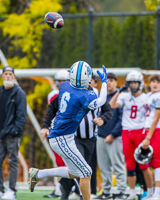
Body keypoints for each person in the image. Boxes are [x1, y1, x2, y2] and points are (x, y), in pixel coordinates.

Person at [28, 61, 108, 200]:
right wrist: (104, 82)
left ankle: (38, 174)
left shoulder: (64, 86)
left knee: (75, 172)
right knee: (86, 172)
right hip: (62, 138)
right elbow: (102, 100)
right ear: (87, 79)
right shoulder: (86, 96)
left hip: (63, 136)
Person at [109, 71, 153, 200]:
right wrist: (118, 91)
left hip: (140, 131)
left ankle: (150, 192)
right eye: (131, 83)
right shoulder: (124, 96)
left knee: (144, 164)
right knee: (129, 165)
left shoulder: (146, 97)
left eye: (135, 83)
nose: (133, 85)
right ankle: (132, 192)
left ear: (140, 83)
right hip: (126, 132)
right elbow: (111, 105)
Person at [94, 73, 126, 200]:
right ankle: (106, 191)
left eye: (112, 80)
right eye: (107, 81)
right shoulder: (101, 98)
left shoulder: (120, 97)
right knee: (103, 167)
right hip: (101, 136)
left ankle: (122, 191)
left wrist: (113, 134)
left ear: (116, 82)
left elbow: (121, 119)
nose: (110, 83)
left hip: (115, 137)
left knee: (118, 165)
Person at [0, 66, 27, 200]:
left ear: (14, 76)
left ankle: (11, 190)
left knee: (13, 161)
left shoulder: (19, 93)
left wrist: (15, 131)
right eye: (6, 74)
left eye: (10, 74)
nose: (8, 76)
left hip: (12, 135)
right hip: (0, 134)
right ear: (2, 76)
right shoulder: (0, 92)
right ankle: (0, 189)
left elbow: (22, 116)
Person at [44, 70, 69, 198]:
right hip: (57, 131)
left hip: (69, 131)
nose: (61, 84)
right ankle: (60, 188)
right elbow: (51, 112)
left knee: (68, 162)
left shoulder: (72, 94)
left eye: (64, 81)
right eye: (60, 81)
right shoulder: (53, 95)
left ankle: (67, 188)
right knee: (59, 161)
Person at [141, 75, 160, 200]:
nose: (155, 84)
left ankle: (158, 192)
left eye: (157, 82)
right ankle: (151, 191)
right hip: (146, 129)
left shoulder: (158, 96)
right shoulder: (148, 96)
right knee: (147, 161)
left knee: (157, 162)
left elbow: (155, 118)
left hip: (156, 130)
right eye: (152, 81)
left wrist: (148, 137)